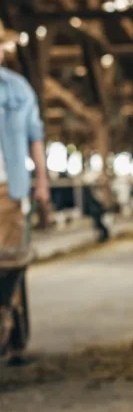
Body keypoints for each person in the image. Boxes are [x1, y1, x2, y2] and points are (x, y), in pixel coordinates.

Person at [0, 21, 50, 365]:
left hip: (9, 190)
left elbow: (35, 137)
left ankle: (12, 335)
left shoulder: (18, 90)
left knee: (11, 262)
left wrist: (42, 180)